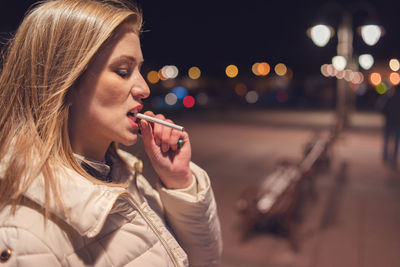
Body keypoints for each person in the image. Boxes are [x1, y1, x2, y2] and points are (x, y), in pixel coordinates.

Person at [0, 0, 222, 266]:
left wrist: (179, 180)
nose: (144, 88)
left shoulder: (125, 175)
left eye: (139, 70)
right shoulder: (24, 235)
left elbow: (204, 261)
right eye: (123, 71)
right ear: (64, 79)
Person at [381, 87, 400, 167]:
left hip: (389, 122)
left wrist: (387, 116)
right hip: (398, 123)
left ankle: (385, 155)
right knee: (396, 141)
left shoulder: (390, 98)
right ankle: (394, 158)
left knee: (387, 139)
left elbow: (383, 109)